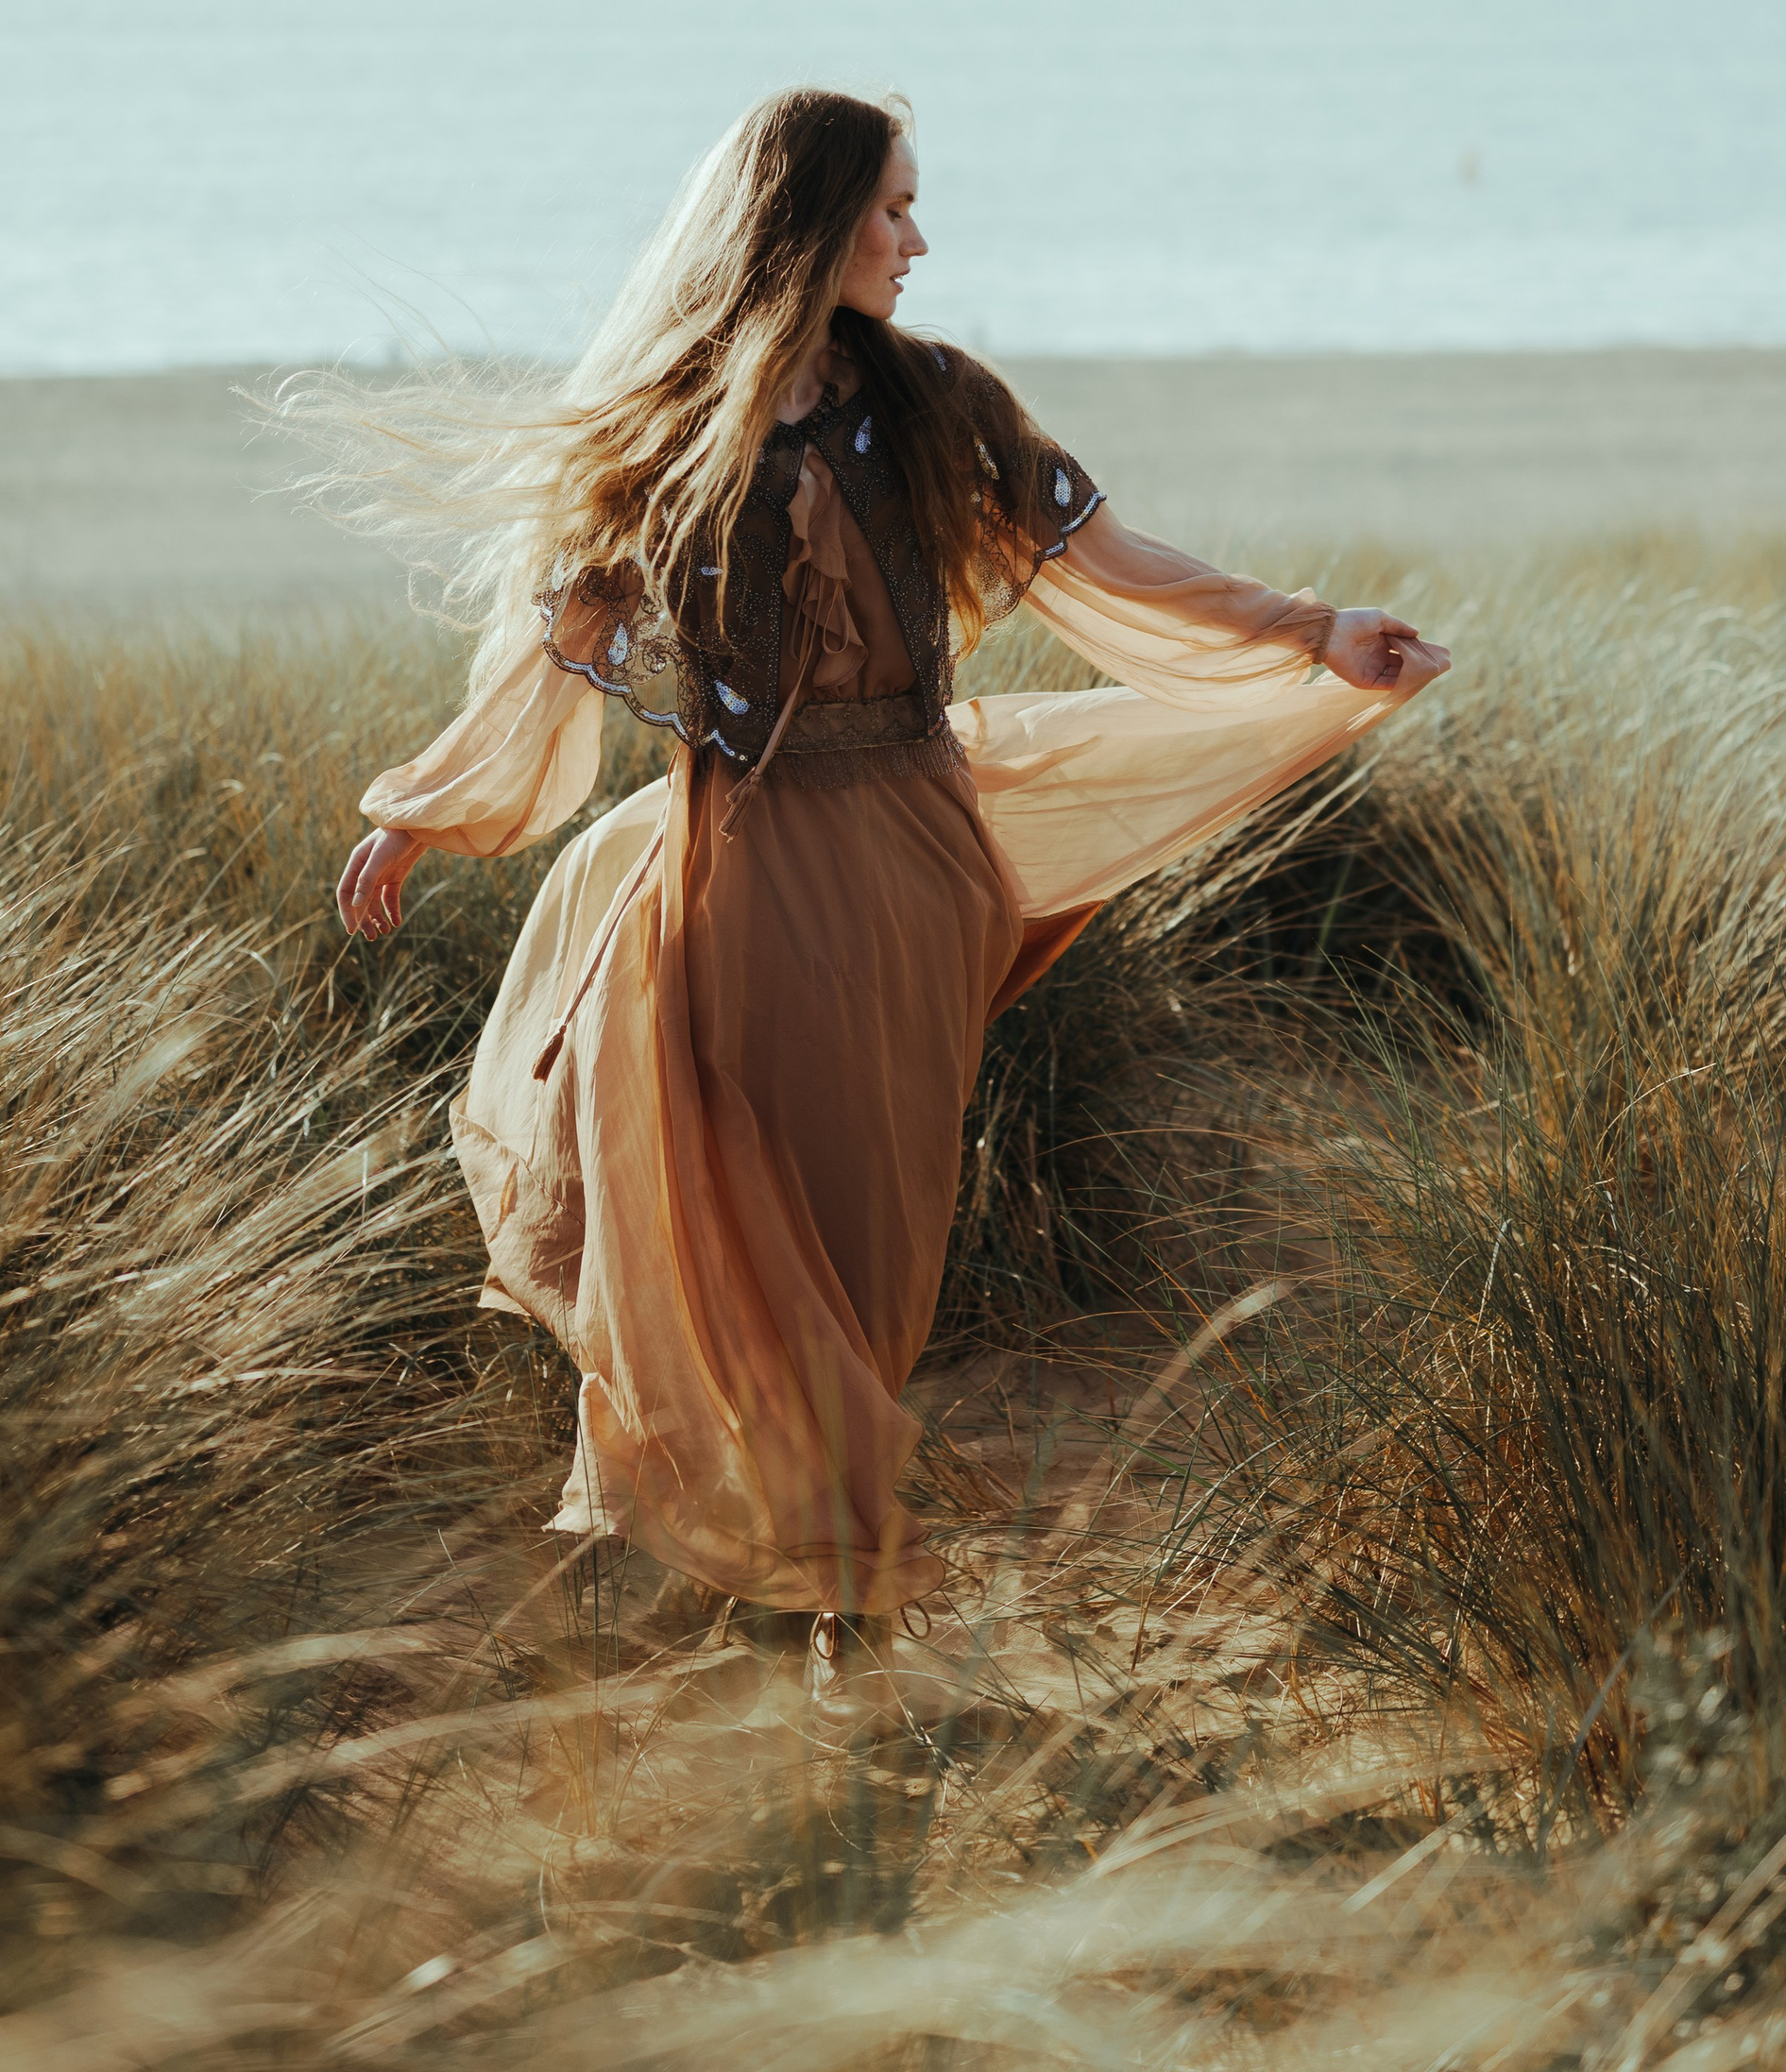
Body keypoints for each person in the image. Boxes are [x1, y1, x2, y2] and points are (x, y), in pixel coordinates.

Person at [331, 88, 1446, 1660]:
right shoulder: (666, 435)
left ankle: (816, 1593)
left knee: (866, 1250)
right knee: (725, 1215)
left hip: (918, 867)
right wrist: (433, 806)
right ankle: (791, 1593)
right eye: (893, 211)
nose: (920, 240)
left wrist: (1312, 635)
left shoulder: (940, 405)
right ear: (806, 223)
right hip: (738, 871)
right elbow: (562, 641)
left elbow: (1117, 569)